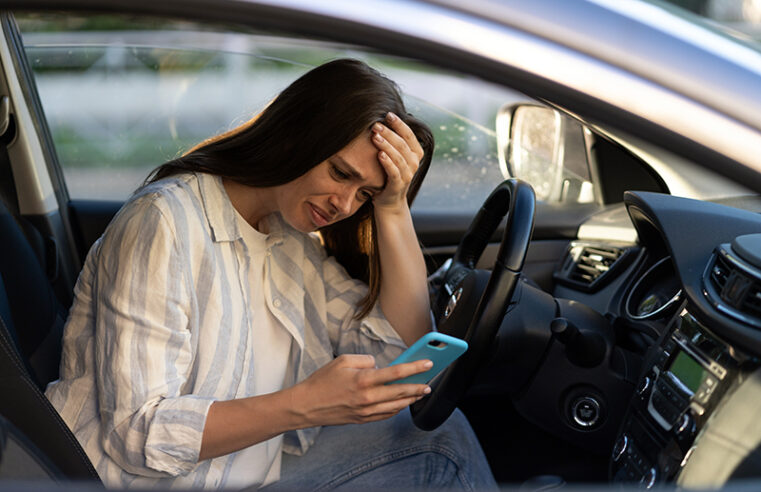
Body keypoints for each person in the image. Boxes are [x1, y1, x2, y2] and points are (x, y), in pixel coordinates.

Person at [45, 58, 496, 490]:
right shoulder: (164, 222)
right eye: (340, 173)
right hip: (151, 481)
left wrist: (393, 208)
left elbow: (396, 353)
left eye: (364, 194)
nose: (344, 205)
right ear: (293, 135)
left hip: (250, 466)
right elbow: (137, 433)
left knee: (437, 432)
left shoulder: (289, 239)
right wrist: (301, 406)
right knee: (444, 448)